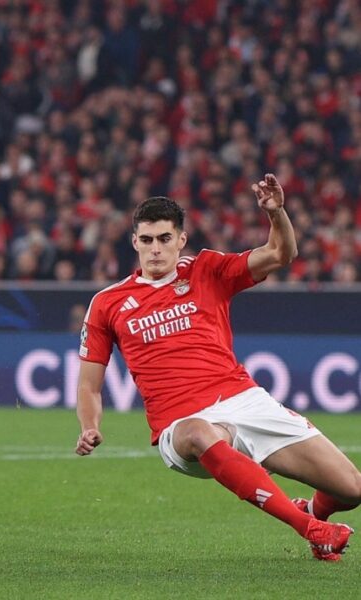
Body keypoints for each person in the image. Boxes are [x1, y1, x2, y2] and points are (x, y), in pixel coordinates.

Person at [75, 174, 359, 561]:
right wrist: (90, 427)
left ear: (181, 240)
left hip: (244, 400)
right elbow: (90, 384)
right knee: (196, 430)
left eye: (163, 239)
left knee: (352, 489)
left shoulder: (208, 270)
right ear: (134, 242)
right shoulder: (107, 303)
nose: (155, 249)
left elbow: (281, 254)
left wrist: (277, 214)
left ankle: (315, 513)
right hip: (182, 426)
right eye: (146, 240)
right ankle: (307, 527)